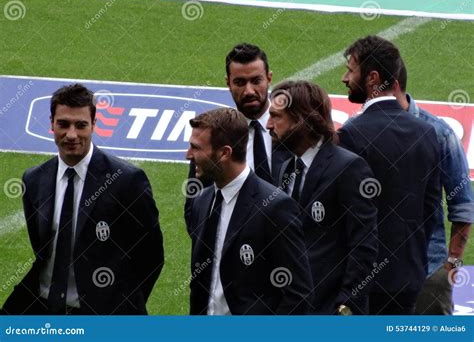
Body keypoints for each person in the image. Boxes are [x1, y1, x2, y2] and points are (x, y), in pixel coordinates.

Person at [2, 84, 164, 315]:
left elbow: (151, 256)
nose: (71, 135)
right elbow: (42, 250)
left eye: (81, 125)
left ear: (94, 125)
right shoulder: (34, 179)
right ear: (51, 123)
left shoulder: (126, 181)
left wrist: (122, 305)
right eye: (63, 124)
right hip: (43, 308)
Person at [338, 35, 441, 315]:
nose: (344, 78)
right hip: (410, 277)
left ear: (372, 78)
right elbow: (430, 211)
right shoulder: (428, 133)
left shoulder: (351, 135)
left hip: (364, 285)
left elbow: (347, 217)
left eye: (350, 69)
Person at [185, 107, 312, 315]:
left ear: (225, 153)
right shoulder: (201, 201)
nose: (188, 155)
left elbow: (298, 294)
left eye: (196, 148)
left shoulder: (275, 208)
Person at [267, 80, 378, 315]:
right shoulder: (285, 168)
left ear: (301, 120)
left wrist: (346, 305)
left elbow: (363, 246)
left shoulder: (349, 168)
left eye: (276, 117)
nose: (268, 125)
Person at [392, 62, 473, 315]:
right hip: (376, 276)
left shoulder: (438, 132)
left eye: (353, 71)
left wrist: (450, 267)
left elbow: (463, 205)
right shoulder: (359, 131)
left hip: (429, 273)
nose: (345, 78)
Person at [185, 44, 291, 230]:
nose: (249, 91)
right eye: (240, 82)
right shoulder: (212, 136)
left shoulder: (293, 129)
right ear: (228, 83)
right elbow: (194, 210)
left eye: (256, 81)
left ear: (269, 78)